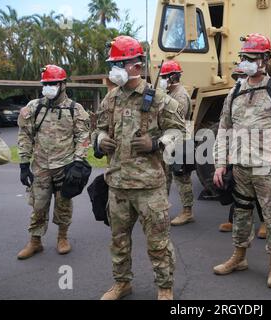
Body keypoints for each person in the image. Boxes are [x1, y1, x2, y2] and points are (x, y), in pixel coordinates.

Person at [94, 35, 185, 300]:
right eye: (114, 63)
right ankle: (122, 283)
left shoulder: (159, 99)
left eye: (120, 63)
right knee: (119, 241)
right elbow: (98, 128)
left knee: (158, 243)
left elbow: (179, 131)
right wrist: (100, 140)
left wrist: (156, 142)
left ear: (136, 65)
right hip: (118, 184)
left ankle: (164, 287)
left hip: (149, 187)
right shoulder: (110, 99)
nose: (115, 69)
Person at [213, 33, 271, 288]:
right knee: (241, 214)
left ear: (264, 60)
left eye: (251, 57)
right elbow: (224, 128)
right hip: (240, 167)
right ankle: (239, 257)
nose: (246, 62)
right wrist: (219, 163)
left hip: (268, 167)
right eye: (243, 57)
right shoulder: (236, 91)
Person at [16, 65, 90, 259]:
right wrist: (24, 164)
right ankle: (35, 241)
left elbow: (83, 136)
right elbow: (25, 135)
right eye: (45, 84)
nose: (48, 87)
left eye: (52, 83)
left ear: (63, 84)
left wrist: (79, 161)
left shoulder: (75, 109)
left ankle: (62, 238)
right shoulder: (34, 107)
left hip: (65, 167)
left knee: (63, 205)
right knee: (38, 206)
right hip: (40, 167)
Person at [218, 67, 266, 239]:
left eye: (243, 76)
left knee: (261, 192)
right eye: (237, 77)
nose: (240, 79)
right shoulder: (234, 95)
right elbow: (226, 125)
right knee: (237, 189)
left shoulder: (262, 94)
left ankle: (264, 223)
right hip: (238, 150)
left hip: (260, 151)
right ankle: (233, 221)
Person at [158, 60, 195, 226]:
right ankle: (162, 207)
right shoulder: (170, 93)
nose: (162, 80)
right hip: (168, 140)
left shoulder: (179, 95)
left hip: (179, 141)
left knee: (181, 177)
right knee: (164, 176)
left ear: (173, 77)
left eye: (165, 77)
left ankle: (187, 212)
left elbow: (173, 120)